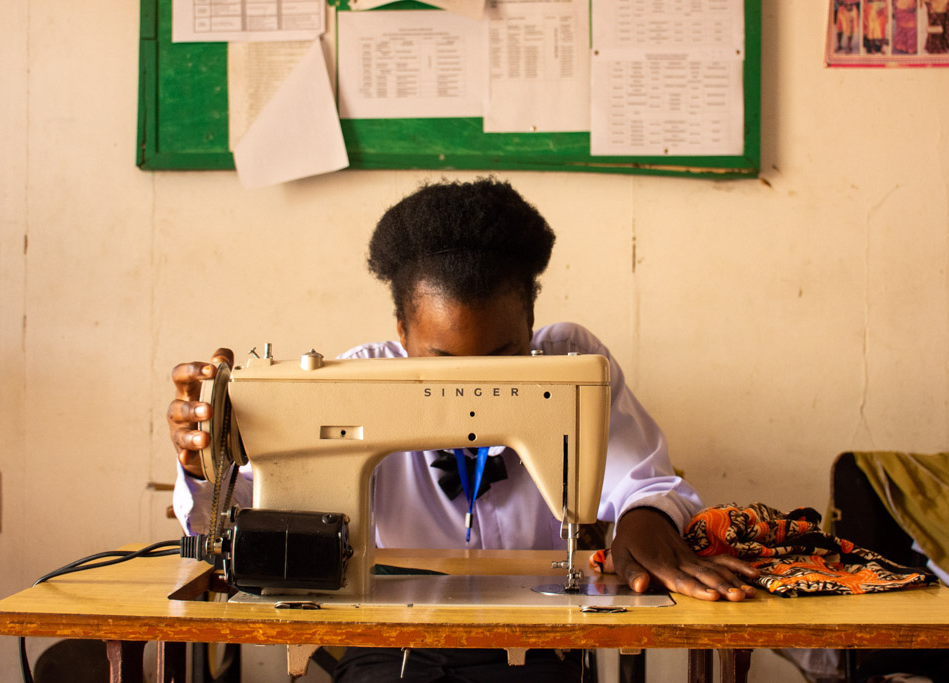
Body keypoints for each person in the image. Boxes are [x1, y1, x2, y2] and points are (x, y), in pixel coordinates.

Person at [168, 178, 758, 681]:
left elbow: (644, 482)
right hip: (390, 652)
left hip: (539, 652)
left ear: (531, 321)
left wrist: (644, 520)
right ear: (401, 330)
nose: (477, 383)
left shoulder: (573, 365)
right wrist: (204, 462)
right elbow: (232, 513)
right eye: (446, 364)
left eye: (503, 356)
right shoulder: (350, 384)